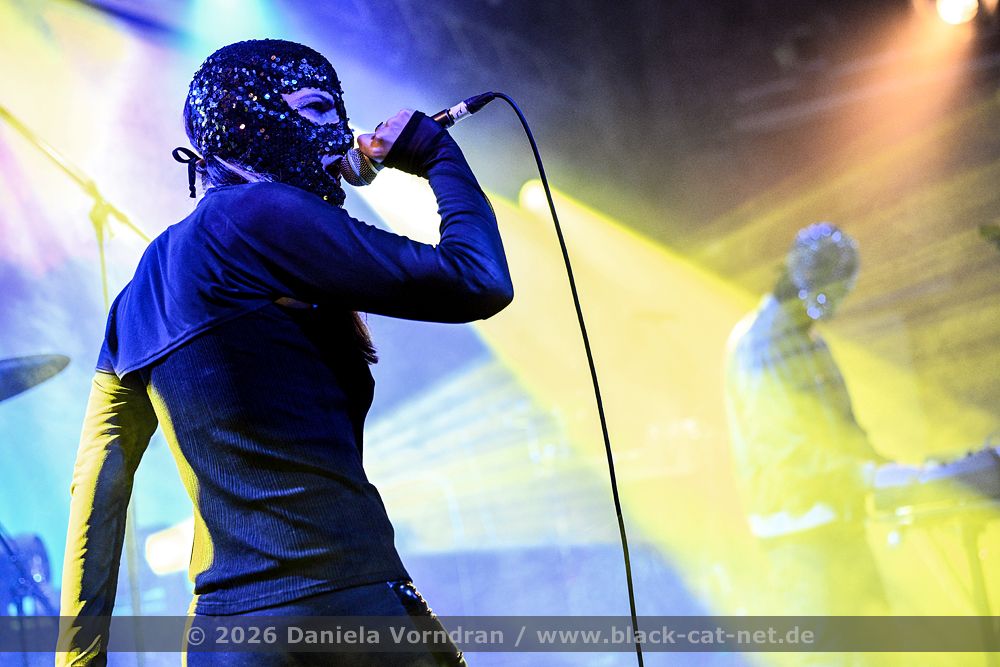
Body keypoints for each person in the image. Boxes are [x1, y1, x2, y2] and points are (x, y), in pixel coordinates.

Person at [57, 38, 513, 666]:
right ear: (246, 120)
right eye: (319, 109)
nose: (343, 134)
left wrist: (77, 661)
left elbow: (96, 491)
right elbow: (478, 279)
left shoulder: (134, 298)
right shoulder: (259, 214)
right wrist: (437, 154)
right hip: (345, 612)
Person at [724, 223, 889, 624]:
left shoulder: (812, 343)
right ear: (807, 279)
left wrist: (891, 469)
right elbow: (782, 452)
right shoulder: (760, 344)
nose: (836, 304)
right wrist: (867, 476)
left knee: (880, 645)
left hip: (840, 524)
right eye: (833, 291)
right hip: (800, 537)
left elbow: (846, 428)